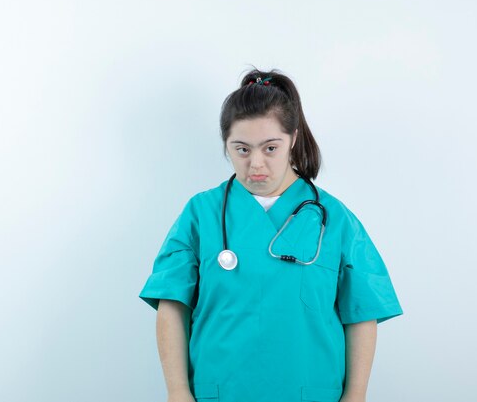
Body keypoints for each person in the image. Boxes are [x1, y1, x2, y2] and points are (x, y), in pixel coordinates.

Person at [138, 68, 403, 402]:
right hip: (221, 391)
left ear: (292, 138)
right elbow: (171, 305)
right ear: (227, 146)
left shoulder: (334, 218)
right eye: (242, 150)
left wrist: (356, 395)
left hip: (309, 390)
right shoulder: (201, 213)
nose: (255, 164)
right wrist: (177, 392)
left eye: (270, 148)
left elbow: (362, 313)